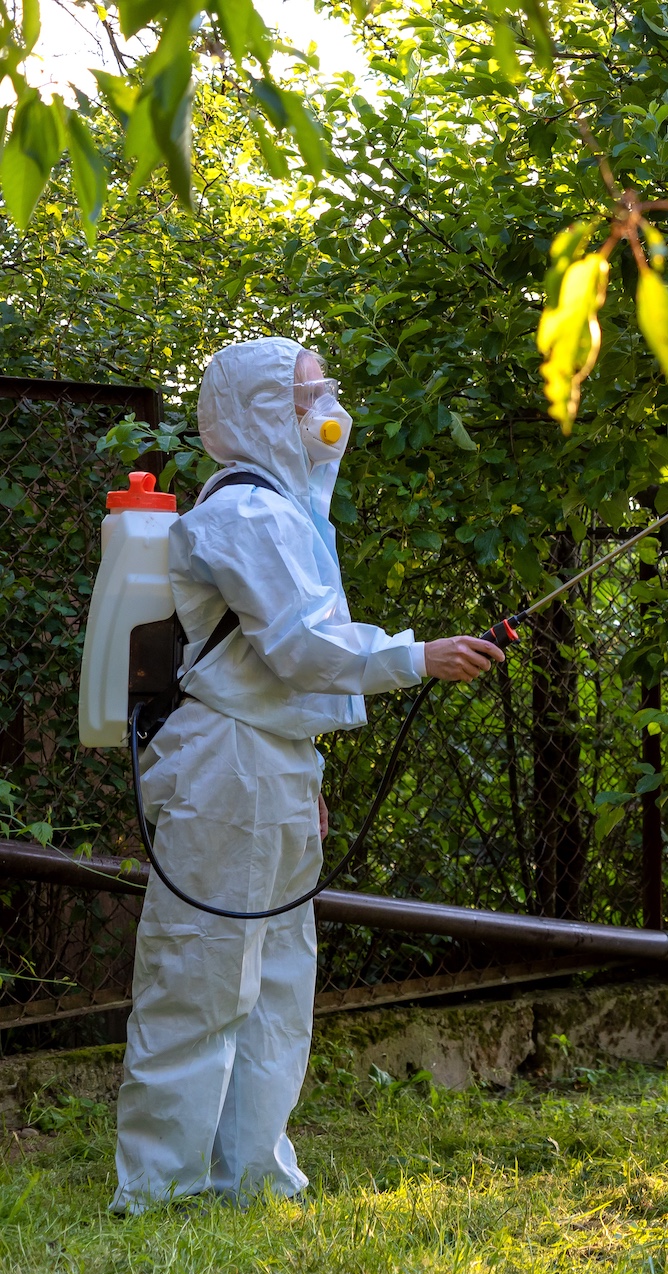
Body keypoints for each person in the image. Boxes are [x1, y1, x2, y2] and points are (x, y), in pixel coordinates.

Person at [111, 337, 503, 1213]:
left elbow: (285, 671)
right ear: (253, 410)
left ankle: (251, 1176)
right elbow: (297, 646)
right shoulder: (243, 516)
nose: (322, 404)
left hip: (273, 763)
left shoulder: (289, 512)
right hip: (225, 768)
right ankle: (160, 1190)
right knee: (201, 975)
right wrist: (416, 656)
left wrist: (309, 774)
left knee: (278, 985)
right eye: (303, 392)